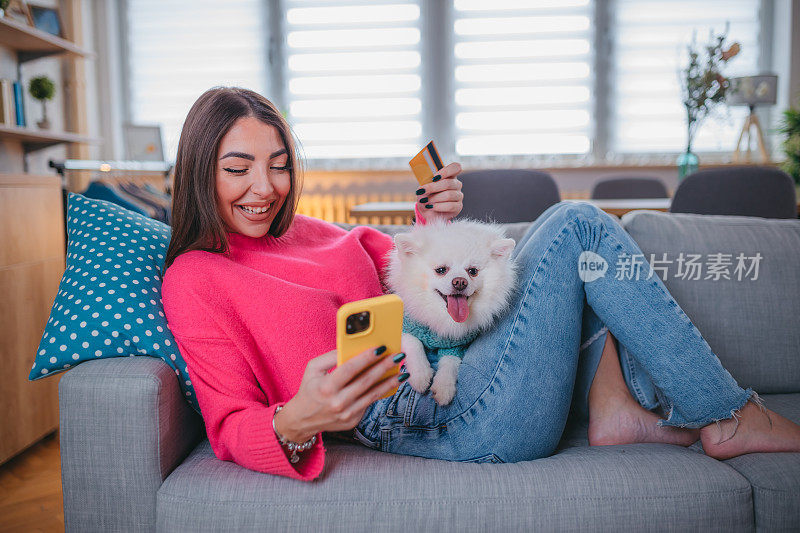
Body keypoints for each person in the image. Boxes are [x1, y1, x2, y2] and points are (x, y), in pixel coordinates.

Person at [161, 87, 800, 481]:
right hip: (428, 418)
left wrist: (437, 226)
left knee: (568, 252)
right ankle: (729, 414)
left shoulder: (303, 228)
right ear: (197, 171)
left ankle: (615, 408)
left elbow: (407, 272)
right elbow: (229, 423)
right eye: (238, 168)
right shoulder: (196, 278)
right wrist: (297, 421)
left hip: (460, 362)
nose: (264, 188)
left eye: (278, 166)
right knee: (577, 224)